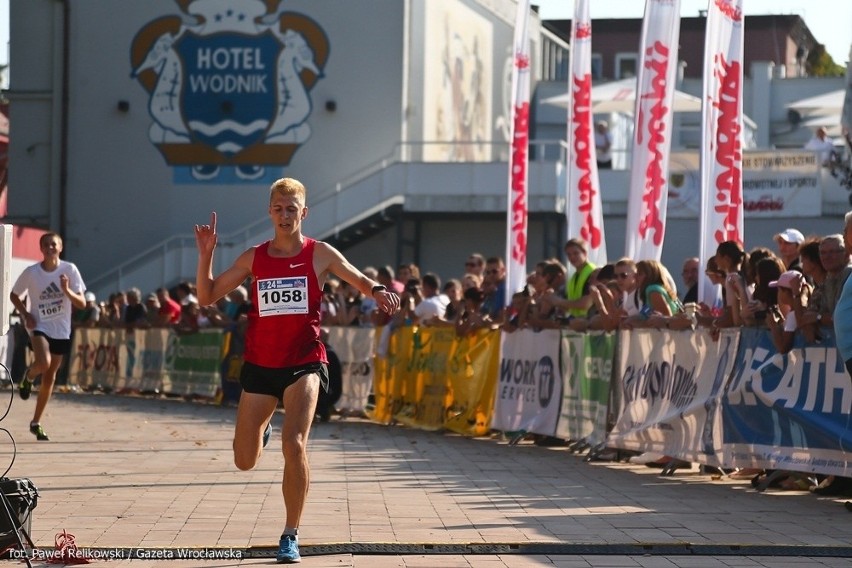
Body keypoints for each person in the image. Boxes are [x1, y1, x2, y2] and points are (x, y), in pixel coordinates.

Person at [193, 177, 400, 564]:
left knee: (296, 443)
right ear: (269, 211)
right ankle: (262, 429)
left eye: (292, 209)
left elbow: (357, 276)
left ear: (303, 213)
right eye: (278, 208)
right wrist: (206, 253)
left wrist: (376, 291)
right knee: (243, 460)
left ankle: (290, 534)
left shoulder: (319, 253)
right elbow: (206, 296)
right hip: (260, 365)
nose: (285, 215)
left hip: (305, 362)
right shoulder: (254, 257)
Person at [9, 232, 86, 441]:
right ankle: (28, 377)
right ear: (41, 249)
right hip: (37, 324)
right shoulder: (32, 272)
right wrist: (26, 314)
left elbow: (82, 303)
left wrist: (66, 290)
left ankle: (36, 422)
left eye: (54, 244)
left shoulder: (69, 270)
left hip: (61, 329)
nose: (50, 248)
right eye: (46, 245)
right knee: (43, 362)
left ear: (60, 247)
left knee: (50, 376)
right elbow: (14, 295)